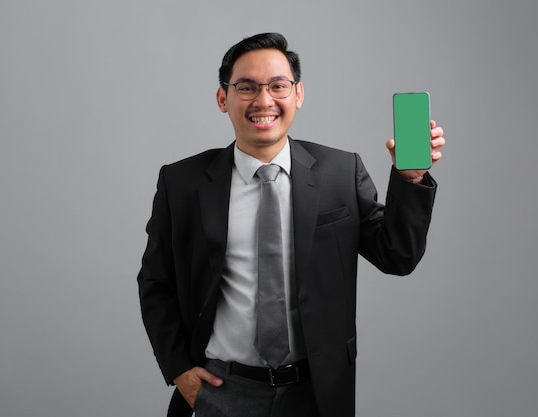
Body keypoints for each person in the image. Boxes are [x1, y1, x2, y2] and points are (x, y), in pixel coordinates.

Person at [137, 32, 445, 417]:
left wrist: (410, 180)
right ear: (223, 98)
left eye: (278, 86)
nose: (263, 101)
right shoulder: (182, 182)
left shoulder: (339, 172)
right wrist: (178, 369)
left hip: (315, 394)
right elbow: (154, 282)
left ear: (298, 94)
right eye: (246, 87)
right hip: (221, 391)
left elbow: (397, 256)